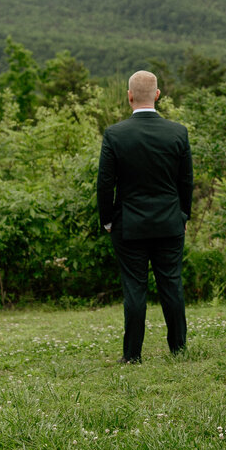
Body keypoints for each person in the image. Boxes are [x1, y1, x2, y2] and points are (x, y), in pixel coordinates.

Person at [97, 70, 193, 363]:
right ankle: (178, 349)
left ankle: (132, 356)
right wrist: (183, 215)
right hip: (168, 221)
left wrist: (108, 219)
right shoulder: (177, 132)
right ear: (157, 95)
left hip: (129, 224)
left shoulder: (115, 134)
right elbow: (186, 180)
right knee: (171, 285)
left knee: (134, 289)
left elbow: (105, 183)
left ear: (129, 96)